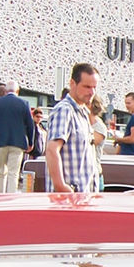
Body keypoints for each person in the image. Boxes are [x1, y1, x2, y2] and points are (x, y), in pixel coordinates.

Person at [44, 63, 101, 193]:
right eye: (86, 86)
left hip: (83, 196)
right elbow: (52, 150)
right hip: (68, 200)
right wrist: (61, 187)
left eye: (94, 87)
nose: (91, 92)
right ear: (72, 83)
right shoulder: (64, 110)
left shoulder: (82, 112)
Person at [0, 83, 35, 194]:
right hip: (18, 143)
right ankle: (11, 196)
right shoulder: (24, 104)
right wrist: (30, 142)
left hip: (0, 143)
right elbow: (30, 125)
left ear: (6, 91)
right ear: (17, 91)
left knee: (1, 171)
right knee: (13, 172)